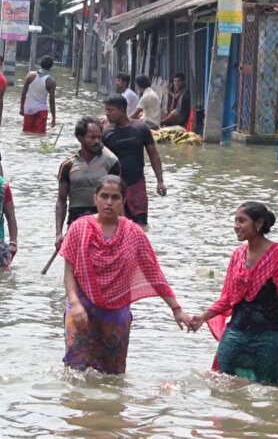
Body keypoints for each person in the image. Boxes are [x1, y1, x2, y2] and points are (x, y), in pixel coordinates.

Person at [60, 176, 190, 374]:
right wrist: (75, 303)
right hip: (82, 309)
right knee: (75, 372)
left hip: (116, 313)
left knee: (112, 377)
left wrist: (176, 309)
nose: (109, 202)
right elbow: (69, 271)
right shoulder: (80, 228)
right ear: (95, 198)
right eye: (104, 196)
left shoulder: (133, 233)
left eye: (115, 197)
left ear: (124, 201)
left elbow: (154, 274)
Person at [187, 202, 278, 386]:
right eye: (235, 220)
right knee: (220, 383)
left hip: (270, 334)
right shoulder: (237, 255)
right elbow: (228, 298)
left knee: (269, 390)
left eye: (242, 221)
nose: (236, 226)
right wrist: (203, 317)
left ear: (259, 223)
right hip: (238, 331)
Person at [101, 94, 166, 228]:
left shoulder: (141, 128)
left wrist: (160, 181)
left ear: (122, 110)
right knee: (118, 226)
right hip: (115, 186)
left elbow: (153, 154)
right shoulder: (106, 133)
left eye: (110, 110)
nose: (107, 114)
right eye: (106, 110)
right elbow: (101, 162)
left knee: (141, 224)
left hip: (137, 184)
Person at [55, 117, 120, 245]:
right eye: (92, 137)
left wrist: (121, 228)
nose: (97, 141)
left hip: (104, 221)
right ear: (80, 138)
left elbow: (119, 198)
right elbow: (61, 200)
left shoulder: (111, 161)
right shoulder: (68, 165)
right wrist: (58, 233)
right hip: (76, 221)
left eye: (99, 137)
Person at [19, 55, 57, 134]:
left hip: (28, 108)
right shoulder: (51, 81)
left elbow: (23, 93)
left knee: (26, 133)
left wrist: (22, 108)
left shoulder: (30, 75)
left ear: (40, 64)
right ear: (51, 66)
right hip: (41, 109)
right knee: (40, 134)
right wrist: (53, 117)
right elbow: (51, 101)